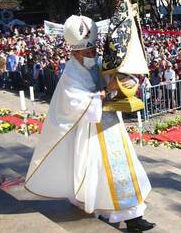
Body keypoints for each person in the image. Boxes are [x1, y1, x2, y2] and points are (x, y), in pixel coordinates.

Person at [25, 15, 154, 232]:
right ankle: (116, 216)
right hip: (90, 133)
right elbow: (77, 104)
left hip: (111, 126)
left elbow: (110, 80)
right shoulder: (70, 75)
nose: (93, 54)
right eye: (88, 52)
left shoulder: (94, 63)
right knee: (103, 176)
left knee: (124, 171)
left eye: (93, 50)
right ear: (74, 52)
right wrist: (105, 90)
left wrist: (122, 79)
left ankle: (134, 216)